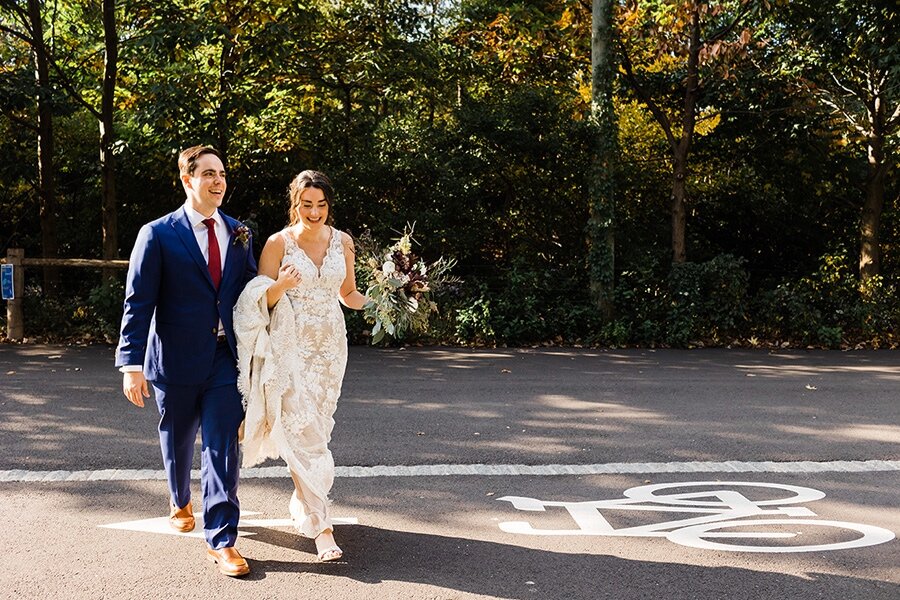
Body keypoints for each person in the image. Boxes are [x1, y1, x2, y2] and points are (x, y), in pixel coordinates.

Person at [115, 145, 258, 577]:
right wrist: (131, 363)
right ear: (187, 179)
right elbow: (138, 302)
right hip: (173, 360)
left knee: (221, 445)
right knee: (178, 443)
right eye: (209, 174)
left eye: (222, 174)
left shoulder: (239, 232)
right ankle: (179, 498)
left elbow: (250, 292)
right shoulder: (157, 234)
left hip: (222, 359)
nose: (218, 181)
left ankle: (222, 540)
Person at [234, 170, 368, 562]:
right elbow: (255, 302)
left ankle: (305, 504)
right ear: (296, 203)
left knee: (317, 432)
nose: (315, 212)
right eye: (307, 204)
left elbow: (348, 295)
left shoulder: (342, 241)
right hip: (290, 349)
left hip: (331, 349)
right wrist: (282, 286)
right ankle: (321, 526)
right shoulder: (278, 243)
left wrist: (390, 296)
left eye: (321, 205)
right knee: (300, 432)